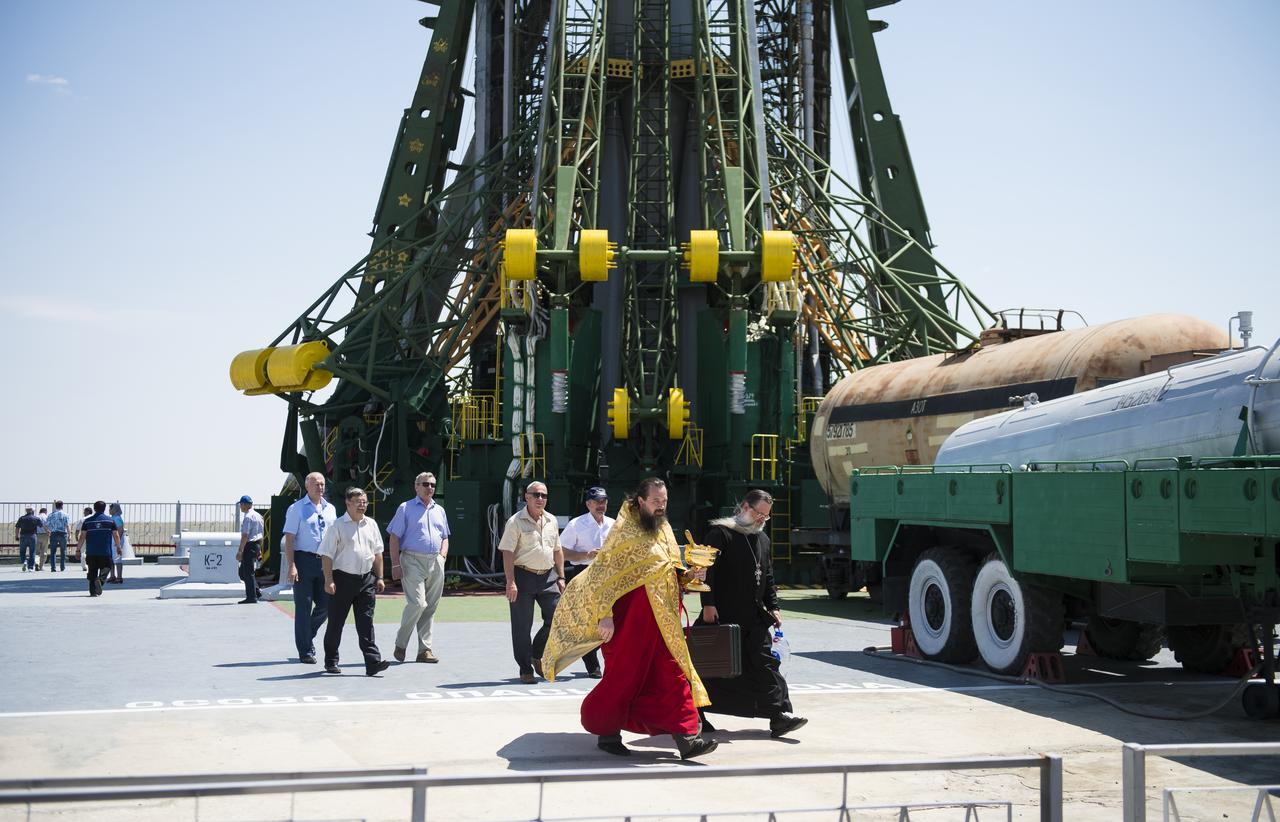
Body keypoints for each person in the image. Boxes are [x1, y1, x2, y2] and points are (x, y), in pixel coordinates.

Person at [542, 478, 717, 760]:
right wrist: (605, 616)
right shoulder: (623, 533)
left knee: (673, 677)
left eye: (665, 502)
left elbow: (669, 573)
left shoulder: (664, 533)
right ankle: (607, 731)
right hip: (628, 626)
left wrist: (690, 576)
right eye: (656, 502)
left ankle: (687, 738)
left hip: (663, 625)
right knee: (624, 680)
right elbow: (604, 577)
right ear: (641, 501)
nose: (661, 507)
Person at [698, 489, 806, 739]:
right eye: (759, 514)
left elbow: (767, 576)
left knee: (766, 664)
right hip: (722, 615)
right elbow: (707, 571)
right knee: (710, 668)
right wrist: (708, 604)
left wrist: (774, 606)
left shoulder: (762, 539)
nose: (761, 520)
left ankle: (779, 716)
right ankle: (696, 714)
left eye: (765, 517)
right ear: (745, 507)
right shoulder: (720, 534)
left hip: (753, 617)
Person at [318, 487, 391, 676]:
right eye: (358, 501)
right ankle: (331, 661)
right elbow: (326, 555)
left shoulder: (372, 524)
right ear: (348, 503)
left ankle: (373, 662)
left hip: (366, 580)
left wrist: (380, 577)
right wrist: (329, 580)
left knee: (366, 622)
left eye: (365, 501)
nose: (362, 505)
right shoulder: (337, 526)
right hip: (342, 579)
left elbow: (377, 553)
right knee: (336, 623)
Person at [498, 481, 565, 684]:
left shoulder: (552, 520)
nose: (540, 499)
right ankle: (525, 668)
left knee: (557, 618)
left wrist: (561, 576)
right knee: (522, 627)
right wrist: (511, 582)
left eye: (544, 495)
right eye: (536, 495)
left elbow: (557, 550)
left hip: (548, 577)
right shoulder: (515, 521)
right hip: (523, 577)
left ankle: (537, 654)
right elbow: (507, 552)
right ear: (526, 497)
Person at [387, 472, 450, 664]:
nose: (429, 487)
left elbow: (445, 536)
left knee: (430, 608)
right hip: (411, 560)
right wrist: (395, 564)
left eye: (432, 484)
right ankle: (401, 642)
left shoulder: (440, 510)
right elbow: (394, 537)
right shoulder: (405, 508)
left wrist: (442, 556)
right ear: (416, 487)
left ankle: (425, 650)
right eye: (425, 484)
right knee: (417, 603)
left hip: (435, 561)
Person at [557, 486, 614, 678]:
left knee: (611, 618)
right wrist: (585, 555)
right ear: (588, 504)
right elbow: (561, 552)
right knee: (587, 621)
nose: (601, 505)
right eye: (597, 501)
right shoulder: (576, 525)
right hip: (583, 573)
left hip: (607, 576)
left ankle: (607, 661)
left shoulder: (614, 524)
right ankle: (592, 665)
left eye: (603, 501)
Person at [282, 472, 338, 664]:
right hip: (303, 561)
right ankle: (305, 650)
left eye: (322, 484)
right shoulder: (296, 509)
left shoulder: (330, 509)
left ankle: (308, 633)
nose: (320, 487)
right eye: (316, 484)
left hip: (325, 561)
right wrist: (292, 565)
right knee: (303, 607)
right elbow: (289, 539)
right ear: (307, 486)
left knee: (327, 605)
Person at [77, 500, 121, 597]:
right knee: (107, 567)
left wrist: (78, 550)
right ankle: (100, 581)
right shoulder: (110, 521)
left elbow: (82, 536)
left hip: (91, 551)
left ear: (94, 509)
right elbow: (116, 535)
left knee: (92, 570)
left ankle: (93, 592)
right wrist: (118, 547)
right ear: (104, 509)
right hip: (105, 551)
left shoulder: (87, 521)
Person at [235, 495, 265, 604]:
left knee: (247, 573)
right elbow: (261, 534)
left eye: (242, 504)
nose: (241, 507)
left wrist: (240, 551)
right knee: (243, 572)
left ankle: (251, 597)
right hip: (256, 545)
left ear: (246, 505)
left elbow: (245, 536)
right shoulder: (258, 516)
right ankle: (256, 591)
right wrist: (259, 549)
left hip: (249, 545)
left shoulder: (248, 517)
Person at [107, 503, 132, 583]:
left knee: (117, 559)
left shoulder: (117, 518)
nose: (109, 510)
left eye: (110, 509)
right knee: (111, 558)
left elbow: (120, 530)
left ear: (114, 509)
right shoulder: (113, 518)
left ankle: (119, 577)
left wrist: (117, 542)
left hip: (115, 540)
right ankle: (112, 575)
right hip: (112, 539)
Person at [46, 501, 70, 572]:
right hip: (63, 534)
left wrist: (49, 531)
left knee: (53, 551)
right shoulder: (65, 514)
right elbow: (67, 525)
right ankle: (62, 567)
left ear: (55, 506)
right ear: (62, 506)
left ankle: (53, 567)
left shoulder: (51, 515)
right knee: (63, 551)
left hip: (53, 534)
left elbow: (47, 525)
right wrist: (69, 535)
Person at [15, 506, 40, 572]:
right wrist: (48, 531)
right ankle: (30, 567)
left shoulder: (22, 518)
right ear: (32, 511)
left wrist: (16, 536)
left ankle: (24, 561)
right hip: (32, 536)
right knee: (32, 552)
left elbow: (17, 527)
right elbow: (42, 525)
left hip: (23, 536)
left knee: (22, 551)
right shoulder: (36, 518)